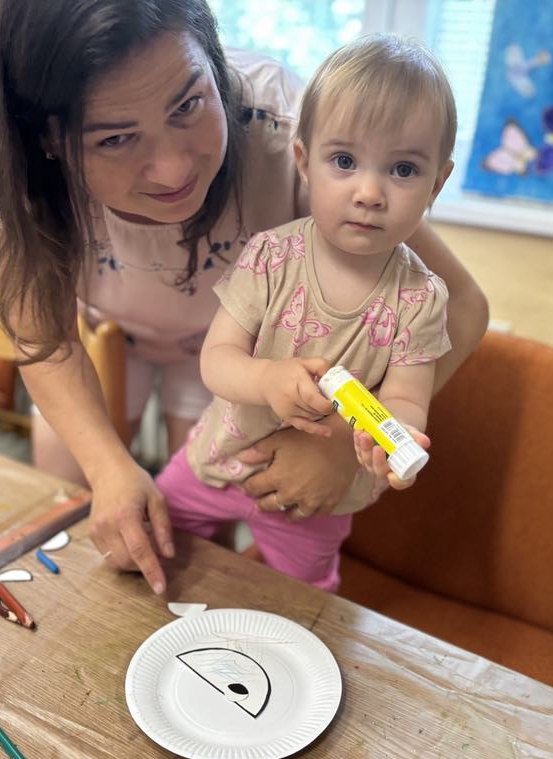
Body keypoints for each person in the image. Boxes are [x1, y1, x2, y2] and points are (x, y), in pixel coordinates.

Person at [0, 0, 489, 595]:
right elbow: (42, 337)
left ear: (215, 63)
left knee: (196, 558)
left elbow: (465, 305)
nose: (173, 171)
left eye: (188, 105)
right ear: (48, 140)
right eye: (115, 138)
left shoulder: (292, 129)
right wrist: (109, 469)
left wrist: (348, 448)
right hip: (111, 341)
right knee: (74, 503)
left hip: (234, 355)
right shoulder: (10, 158)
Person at [153, 34, 456, 591]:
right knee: (156, 547)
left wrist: (391, 439)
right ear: (304, 162)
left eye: (403, 169)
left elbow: (406, 399)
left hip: (314, 498)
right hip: (218, 458)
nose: (369, 192)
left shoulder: (421, 298)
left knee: (307, 605)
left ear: (437, 183)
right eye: (344, 161)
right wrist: (267, 379)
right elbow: (217, 360)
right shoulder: (270, 255)